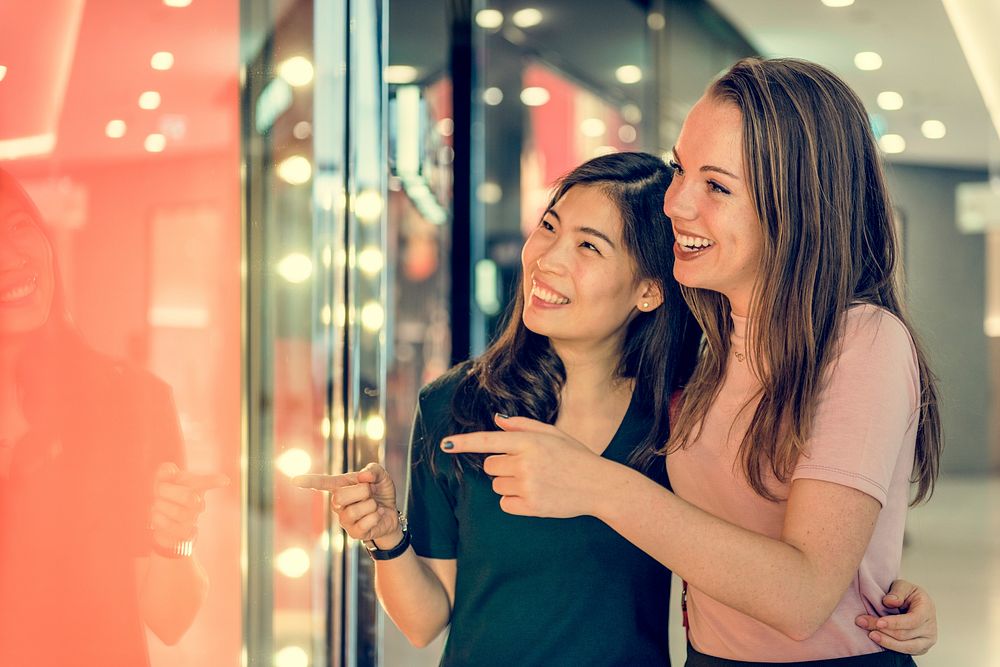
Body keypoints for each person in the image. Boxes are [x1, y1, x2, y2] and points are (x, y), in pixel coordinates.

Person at [296, 152, 936, 665]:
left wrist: (880, 595)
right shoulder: (456, 405)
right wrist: (387, 539)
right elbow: (425, 619)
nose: (546, 259)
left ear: (650, 290)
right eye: (550, 227)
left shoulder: (682, 417)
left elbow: (761, 550)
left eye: (590, 247)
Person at [440, 58, 942, 665]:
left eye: (717, 186)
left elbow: (803, 595)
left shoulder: (862, 340)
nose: (675, 203)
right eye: (681, 169)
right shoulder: (711, 341)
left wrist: (595, 484)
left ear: (797, 205)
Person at [0, 169, 228, 666]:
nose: (12, 257)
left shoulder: (133, 401)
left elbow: (171, 620)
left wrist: (175, 540)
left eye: (19, 227)